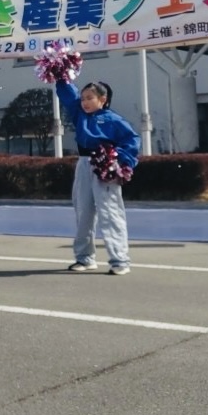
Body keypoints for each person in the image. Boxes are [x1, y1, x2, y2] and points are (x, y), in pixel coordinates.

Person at [54, 79, 140, 275]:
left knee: (110, 213)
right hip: (84, 164)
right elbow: (69, 95)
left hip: (105, 166)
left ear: (102, 99)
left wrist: (117, 161)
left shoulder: (113, 119)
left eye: (89, 98)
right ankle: (84, 258)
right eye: (83, 98)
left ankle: (120, 260)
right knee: (83, 211)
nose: (84, 102)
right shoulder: (79, 115)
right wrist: (61, 76)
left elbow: (132, 140)